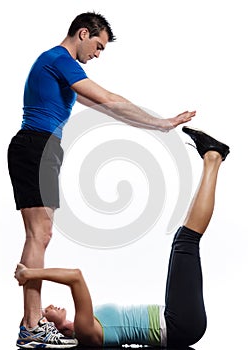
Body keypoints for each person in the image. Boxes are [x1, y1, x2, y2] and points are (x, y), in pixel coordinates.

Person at [7, 11, 196, 343]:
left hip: (44, 149)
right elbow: (110, 98)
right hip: (35, 147)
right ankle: (31, 325)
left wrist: (156, 127)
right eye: (98, 46)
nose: (97, 54)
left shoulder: (63, 72)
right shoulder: (59, 60)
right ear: (83, 33)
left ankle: (32, 324)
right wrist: (162, 122)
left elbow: (107, 108)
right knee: (39, 234)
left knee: (43, 235)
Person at [14, 127, 230, 348]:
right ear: (53, 330)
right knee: (186, 241)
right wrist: (29, 272)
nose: (48, 307)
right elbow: (75, 277)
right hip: (178, 325)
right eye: (44, 315)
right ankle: (213, 157)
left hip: (174, 319)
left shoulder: (85, 326)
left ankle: (211, 159)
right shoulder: (85, 331)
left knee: (182, 240)